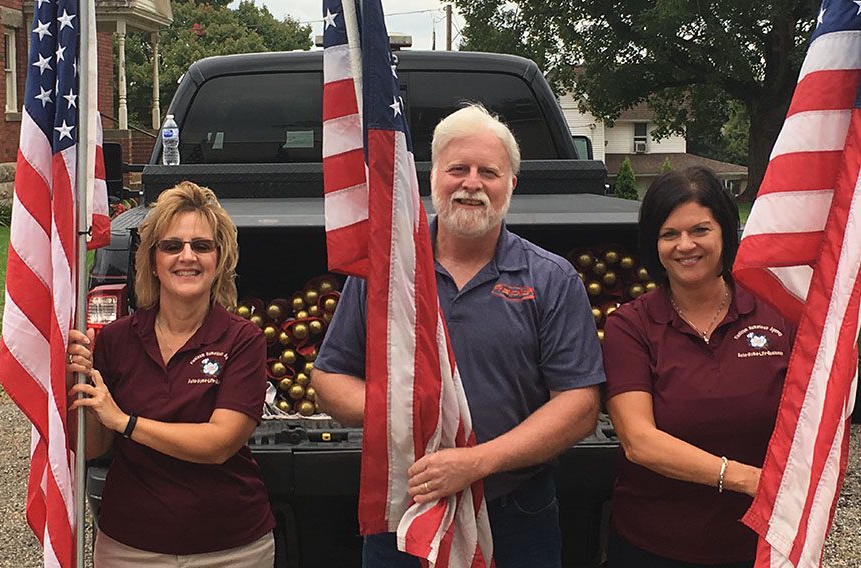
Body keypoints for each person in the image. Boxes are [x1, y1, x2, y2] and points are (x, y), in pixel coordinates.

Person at [312, 104, 605, 567]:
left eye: (489, 171)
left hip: (515, 513)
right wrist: (411, 421)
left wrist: (476, 461)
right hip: (407, 511)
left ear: (511, 184)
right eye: (458, 169)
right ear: (432, 179)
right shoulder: (384, 273)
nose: (472, 183)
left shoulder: (552, 278)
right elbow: (330, 379)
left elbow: (579, 406)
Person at [65, 181, 276, 567]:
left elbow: (219, 443)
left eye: (202, 245)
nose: (187, 257)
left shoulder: (243, 340)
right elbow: (93, 448)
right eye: (172, 245)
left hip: (231, 549)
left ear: (220, 258)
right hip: (129, 548)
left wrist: (126, 422)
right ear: (152, 261)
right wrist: (74, 381)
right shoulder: (114, 341)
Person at [601, 166, 795, 567]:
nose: (685, 245)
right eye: (669, 234)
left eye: (700, 230)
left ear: (726, 232)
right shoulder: (631, 326)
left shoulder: (777, 313)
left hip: (761, 542)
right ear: (653, 244)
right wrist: (749, 479)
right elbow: (639, 441)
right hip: (653, 547)